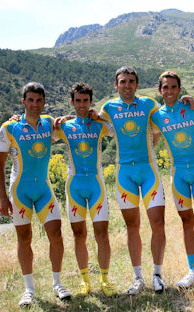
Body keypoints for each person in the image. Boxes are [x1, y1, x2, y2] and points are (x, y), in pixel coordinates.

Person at [0, 82, 71, 307]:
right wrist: (1, 196)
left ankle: (57, 283)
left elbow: (71, 123)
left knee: (56, 234)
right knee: (24, 238)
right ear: (23, 102)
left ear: (44, 102)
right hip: (20, 190)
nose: (35, 105)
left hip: (44, 189)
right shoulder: (9, 127)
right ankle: (29, 289)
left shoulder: (49, 123)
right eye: (30, 100)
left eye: (39, 101)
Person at [97, 67, 167, 294]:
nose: (127, 85)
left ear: (137, 84)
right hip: (124, 173)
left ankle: (157, 274)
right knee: (132, 226)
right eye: (122, 82)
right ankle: (138, 277)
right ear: (115, 85)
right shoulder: (108, 108)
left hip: (149, 170)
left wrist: (188, 103)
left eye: (131, 81)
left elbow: (166, 117)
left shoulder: (149, 104)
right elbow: (89, 119)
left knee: (158, 222)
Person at [150, 71, 194, 291]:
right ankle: (193, 271)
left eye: (173, 87)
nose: (169, 91)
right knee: (186, 223)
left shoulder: (193, 107)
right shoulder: (156, 117)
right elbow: (151, 140)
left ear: (179, 90)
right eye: (165, 87)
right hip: (177, 175)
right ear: (160, 90)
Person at [54, 82, 116, 297]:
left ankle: (105, 279)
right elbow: (45, 132)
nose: (81, 105)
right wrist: (56, 121)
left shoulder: (98, 124)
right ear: (72, 102)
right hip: (75, 186)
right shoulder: (64, 127)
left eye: (85, 101)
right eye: (78, 101)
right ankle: (84, 281)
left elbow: (115, 129)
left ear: (91, 102)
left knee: (102, 235)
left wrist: (99, 117)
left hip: (96, 184)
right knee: (79, 235)